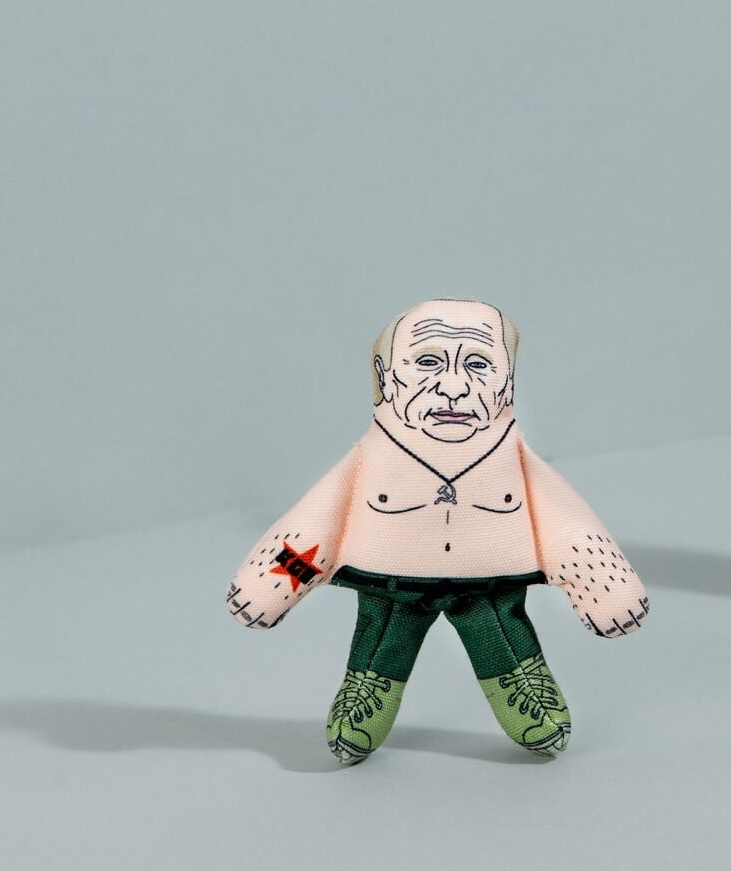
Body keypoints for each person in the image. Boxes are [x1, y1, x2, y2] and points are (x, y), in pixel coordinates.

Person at [226, 298, 647, 763]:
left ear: (507, 382)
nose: (453, 387)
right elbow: (317, 521)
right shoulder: (371, 458)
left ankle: (525, 690)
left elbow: (563, 518)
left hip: (489, 590)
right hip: (390, 588)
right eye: (427, 362)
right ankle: (365, 696)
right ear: (385, 376)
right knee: (379, 647)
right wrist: (271, 583)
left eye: (478, 364)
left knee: (505, 645)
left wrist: (602, 585)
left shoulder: (512, 458)